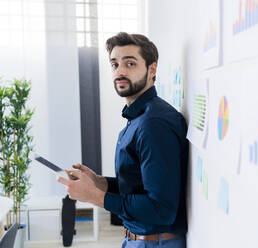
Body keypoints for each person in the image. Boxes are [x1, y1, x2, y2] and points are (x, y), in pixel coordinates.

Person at [57, 32, 189, 248]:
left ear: (152, 69)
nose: (119, 71)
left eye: (130, 64)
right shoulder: (138, 118)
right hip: (140, 240)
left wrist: (96, 197)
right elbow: (138, 185)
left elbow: (160, 209)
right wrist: (99, 183)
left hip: (155, 243)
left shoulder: (153, 124)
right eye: (114, 64)